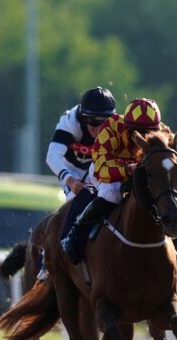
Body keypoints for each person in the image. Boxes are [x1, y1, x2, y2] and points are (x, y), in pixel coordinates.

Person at [60, 98, 177, 264]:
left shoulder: (163, 132)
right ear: (128, 126)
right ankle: (76, 232)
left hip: (141, 169)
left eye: (150, 131)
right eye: (139, 131)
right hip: (106, 169)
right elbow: (101, 168)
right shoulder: (111, 128)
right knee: (112, 194)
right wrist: (127, 170)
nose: (144, 137)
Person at [46, 87, 117, 241]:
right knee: (77, 202)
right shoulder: (70, 121)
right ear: (83, 117)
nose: (99, 128)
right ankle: (66, 242)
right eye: (93, 121)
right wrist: (70, 180)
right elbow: (52, 156)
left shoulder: (116, 125)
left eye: (104, 122)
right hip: (71, 170)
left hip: (96, 167)